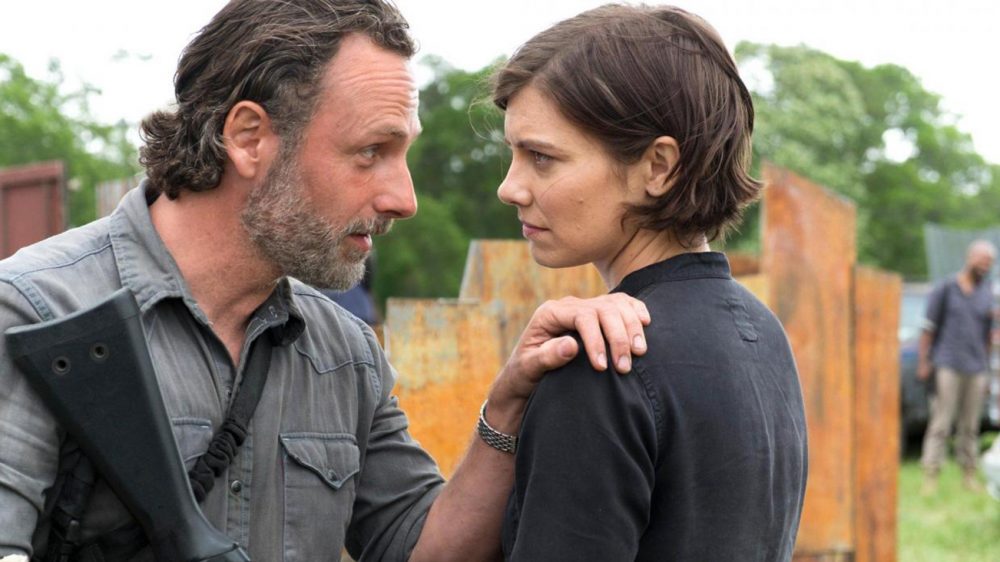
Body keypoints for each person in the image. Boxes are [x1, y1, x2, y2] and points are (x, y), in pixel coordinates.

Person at [0, 1, 652, 560]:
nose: (404, 199)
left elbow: (421, 549)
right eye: (371, 152)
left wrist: (507, 404)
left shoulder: (345, 354)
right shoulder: (34, 313)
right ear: (249, 137)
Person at [491, 5, 808, 560]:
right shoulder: (763, 332)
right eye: (513, 154)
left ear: (658, 167)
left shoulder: (603, 360)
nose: (509, 187)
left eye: (541, 157)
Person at [918, 239, 996, 493]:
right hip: (947, 363)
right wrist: (923, 362)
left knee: (970, 426)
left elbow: (988, 337)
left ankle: (969, 475)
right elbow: (928, 329)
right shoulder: (946, 288)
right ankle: (930, 476)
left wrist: (986, 370)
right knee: (941, 422)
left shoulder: (987, 294)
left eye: (990, 262)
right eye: (982, 260)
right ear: (969, 257)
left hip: (976, 368)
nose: (986, 266)